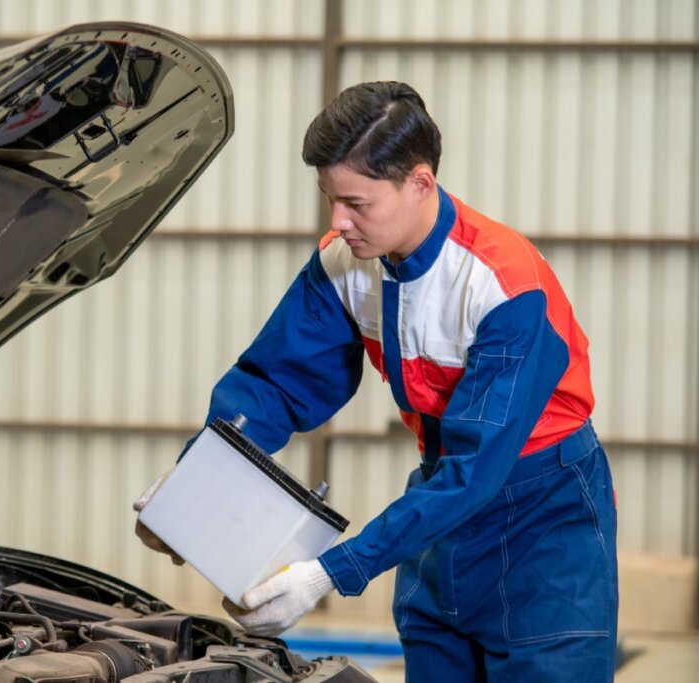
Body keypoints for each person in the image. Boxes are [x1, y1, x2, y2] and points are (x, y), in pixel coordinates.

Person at [135, 81, 618, 682]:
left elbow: (478, 469)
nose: (338, 222)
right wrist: (196, 481)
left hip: (544, 525)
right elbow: (274, 383)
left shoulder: (506, 288)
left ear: (419, 183)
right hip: (441, 510)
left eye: (357, 203)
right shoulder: (345, 262)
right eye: (329, 199)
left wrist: (327, 574)